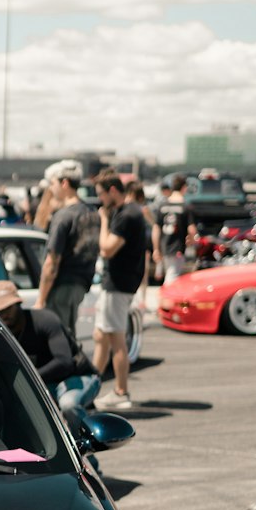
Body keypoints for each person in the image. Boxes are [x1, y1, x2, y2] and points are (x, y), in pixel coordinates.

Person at [0, 280, 100, 414]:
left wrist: (29, 379)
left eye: (8, 308)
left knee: (69, 405)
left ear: (18, 304)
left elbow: (64, 361)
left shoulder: (45, 320)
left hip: (76, 377)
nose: (4, 314)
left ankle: (80, 434)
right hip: (44, 384)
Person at [93, 169, 149, 409]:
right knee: (101, 336)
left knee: (115, 338)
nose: (101, 201)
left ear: (113, 191)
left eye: (101, 195)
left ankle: (121, 391)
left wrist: (104, 220)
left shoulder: (126, 215)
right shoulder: (131, 212)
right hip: (119, 284)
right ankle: (93, 387)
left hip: (118, 285)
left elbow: (106, 249)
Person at [33, 159, 99, 337]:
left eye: (53, 183)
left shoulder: (63, 216)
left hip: (62, 285)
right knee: (69, 336)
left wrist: (40, 300)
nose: (51, 188)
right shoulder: (91, 212)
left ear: (64, 183)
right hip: (82, 283)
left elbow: (52, 262)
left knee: (58, 339)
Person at [152, 173, 196, 286]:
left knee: (169, 272)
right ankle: (166, 299)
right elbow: (192, 230)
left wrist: (156, 248)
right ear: (184, 187)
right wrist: (191, 240)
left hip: (164, 246)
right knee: (173, 276)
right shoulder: (185, 206)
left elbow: (156, 229)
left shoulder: (162, 205)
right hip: (177, 247)